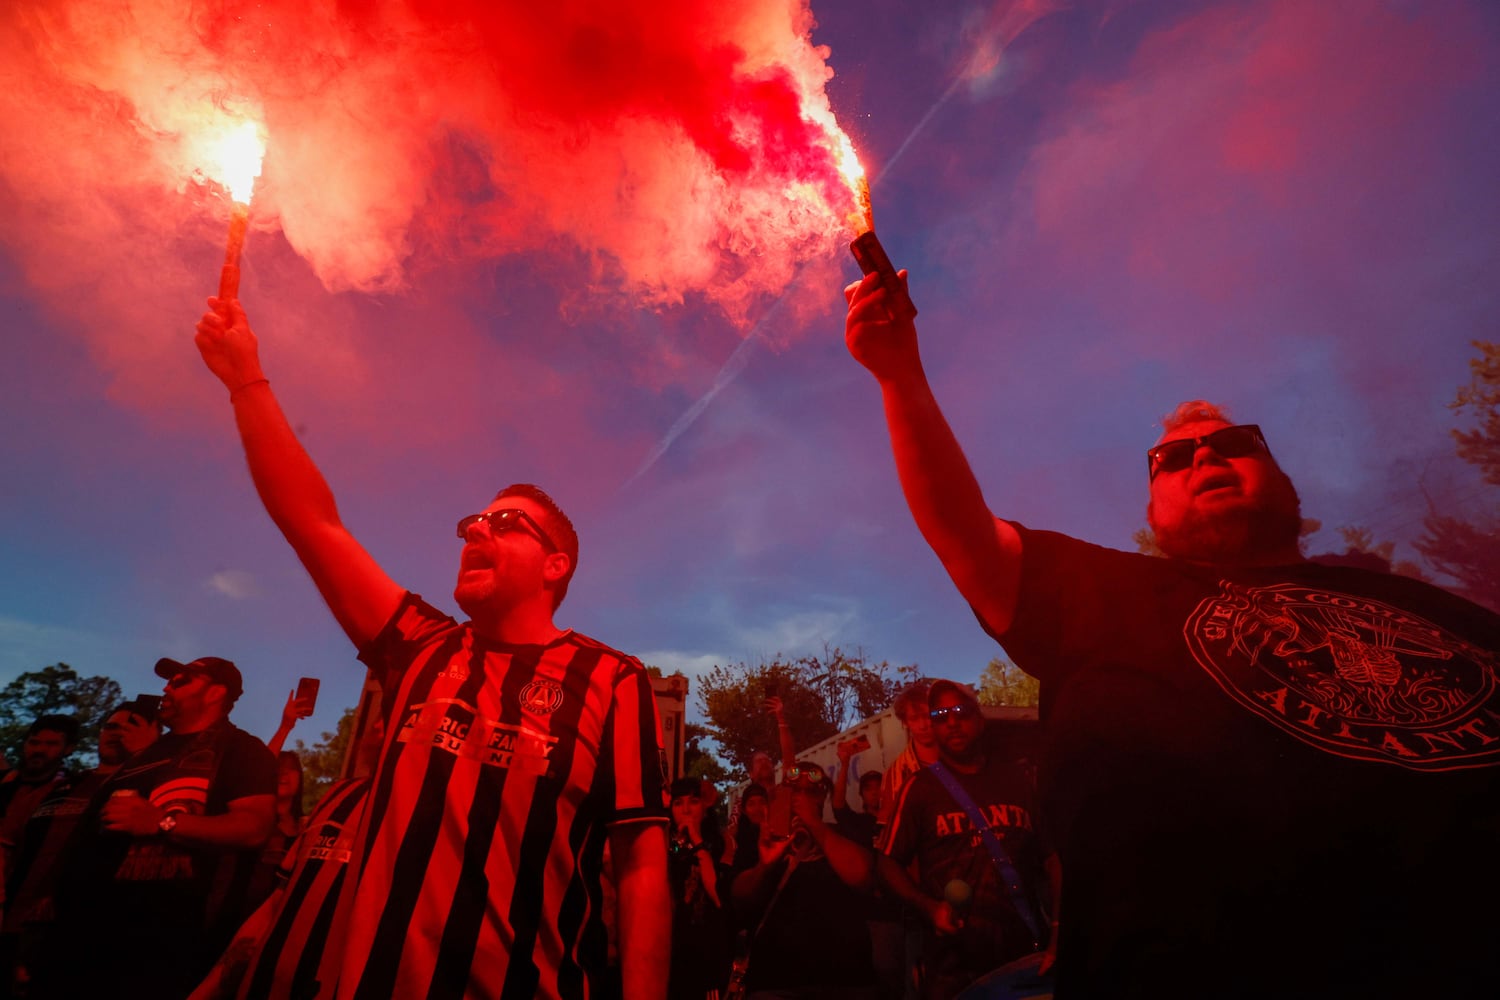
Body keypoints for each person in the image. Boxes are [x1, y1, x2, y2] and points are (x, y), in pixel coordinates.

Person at [845, 270, 1500, 998]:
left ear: (1284, 479)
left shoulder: (1425, 605)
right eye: (1176, 459)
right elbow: (962, 531)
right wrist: (899, 373)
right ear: (1153, 512)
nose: (1207, 458)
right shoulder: (1109, 592)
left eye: (1232, 444)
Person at [193, 297, 671, 1000]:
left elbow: (641, 864)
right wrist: (246, 380)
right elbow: (314, 522)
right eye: (473, 521)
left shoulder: (612, 680)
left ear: (556, 564)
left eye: (506, 523)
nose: (477, 530)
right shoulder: (419, 647)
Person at [33, 658, 277, 1000]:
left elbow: (253, 827)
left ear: (215, 693)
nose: (166, 688)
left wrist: (161, 822)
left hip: (166, 951)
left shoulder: (242, 750)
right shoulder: (142, 756)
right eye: (168, 682)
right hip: (83, 944)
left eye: (181, 682)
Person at [878, 681, 1058, 1000]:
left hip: (1025, 952)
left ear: (979, 720)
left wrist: (1058, 929)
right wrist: (929, 907)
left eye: (960, 712)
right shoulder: (917, 788)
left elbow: (1052, 858)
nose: (952, 722)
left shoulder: (1017, 781)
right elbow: (887, 860)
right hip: (954, 965)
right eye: (941, 715)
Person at [2, 700, 161, 994]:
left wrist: (146, 755)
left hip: (74, 935)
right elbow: (9, 842)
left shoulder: (149, 792)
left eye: (131, 727)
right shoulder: (59, 786)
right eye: (111, 726)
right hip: (12, 920)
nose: (116, 733)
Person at [730, 760, 879, 1000]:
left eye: (811, 792)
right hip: (775, 983)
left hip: (847, 982)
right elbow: (740, 898)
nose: (801, 797)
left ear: (823, 797)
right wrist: (764, 866)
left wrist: (815, 826)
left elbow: (864, 877)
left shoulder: (843, 832)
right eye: (794, 791)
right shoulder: (765, 839)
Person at [667, 778, 729, 1000]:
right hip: (669, 955)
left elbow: (719, 897)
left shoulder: (720, 844)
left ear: (704, 807)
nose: (685, 810)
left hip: (706, 956)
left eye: (693, 802)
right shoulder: (663, 845)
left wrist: (697, 842)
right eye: (678, 803)